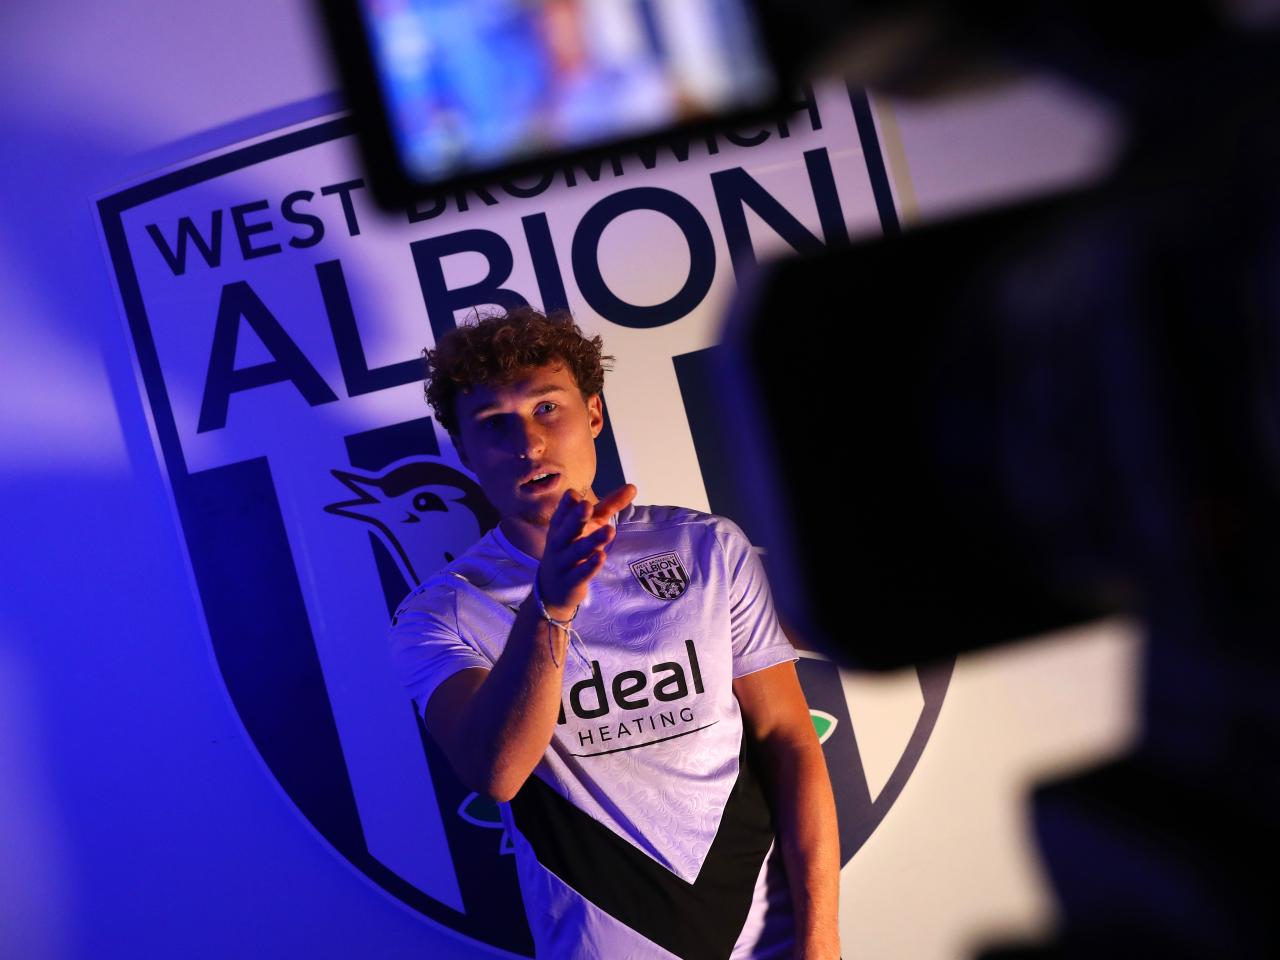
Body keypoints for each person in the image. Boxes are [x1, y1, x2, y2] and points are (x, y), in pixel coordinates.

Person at [389, 306, 840, 959]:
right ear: (464, 451)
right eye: (494, 425)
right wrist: (553, 604)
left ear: (593, 414)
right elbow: (497, 772)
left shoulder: (705, 548)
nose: (529, 444)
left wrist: (821, 940)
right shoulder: (442, 612)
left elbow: (789, 741)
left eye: (548, 409)